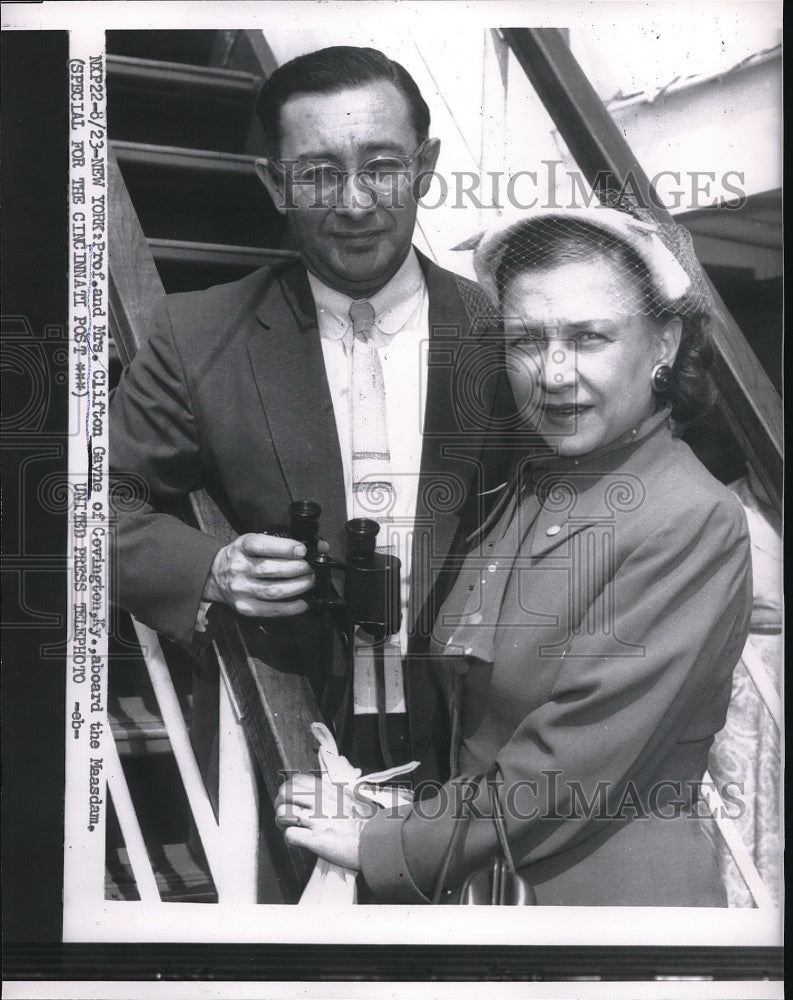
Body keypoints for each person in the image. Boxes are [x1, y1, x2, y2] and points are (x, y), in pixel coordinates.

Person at [275, 205, 753, 906]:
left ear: (664, 343)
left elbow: (569, 766)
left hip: (613, 919)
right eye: (526, 340)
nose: (551, 373)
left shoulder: (690, 518)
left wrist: (386, 843)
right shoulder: (524, 487)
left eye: (588, 337)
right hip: (488, 896)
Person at [109, 46, 512, 771]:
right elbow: (84, 505)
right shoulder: (193, 334)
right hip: (277, 731)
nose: (354, 204)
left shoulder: (508, 331)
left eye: (382, 167)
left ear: (424, 166)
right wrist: (210, 567)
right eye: (320, 173)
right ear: (274, 184)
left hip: (481, 741)